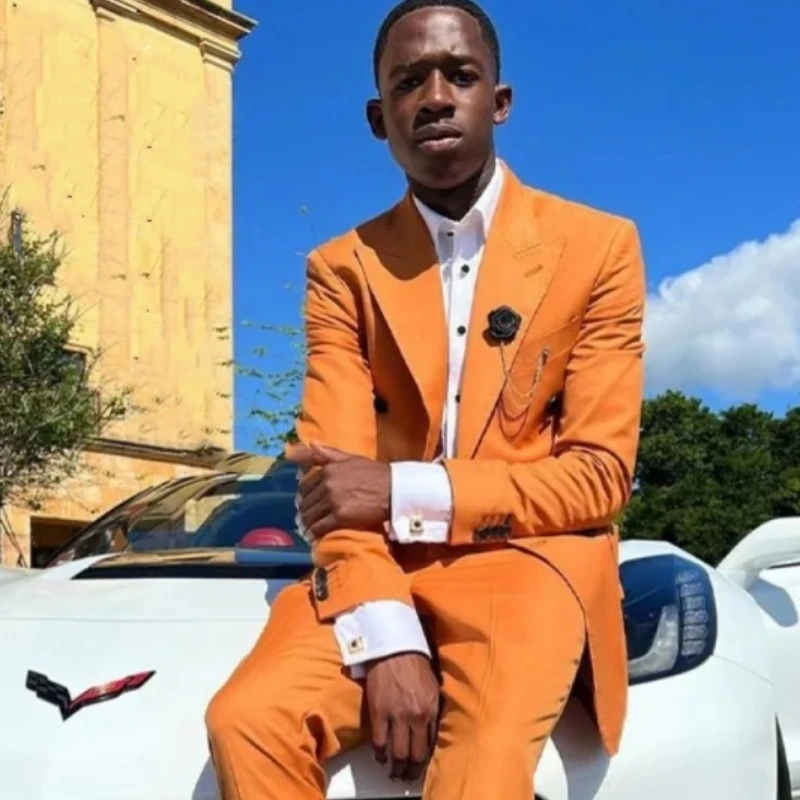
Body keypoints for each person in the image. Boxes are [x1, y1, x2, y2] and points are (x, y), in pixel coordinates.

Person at [205, 0, 646, 798]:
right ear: (380, 118)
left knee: (482, 769)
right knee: (248, 720)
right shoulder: (343, 269)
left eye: (459, 75)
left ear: (498, 102)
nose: (435, 97)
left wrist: (400, 488)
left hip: (527, 563)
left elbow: (597, 477)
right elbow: (333, 482)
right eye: (409, 82)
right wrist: (386, 636)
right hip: (379, 564)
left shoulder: (598, 247)